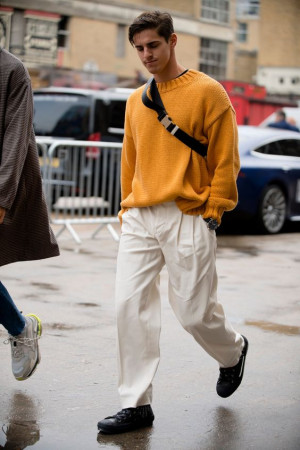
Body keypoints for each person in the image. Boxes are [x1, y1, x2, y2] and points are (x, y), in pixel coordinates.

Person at [97, 10, 248, 434]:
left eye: (154, 46)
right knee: (129, 304)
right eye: (139, 48)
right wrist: (126, 210)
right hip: (141, 216)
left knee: (194, 313)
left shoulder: (208, 92)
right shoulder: (134, 101)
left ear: (173, 41)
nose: (146, 55)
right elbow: (131, 161)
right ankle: (136, 403)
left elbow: (225, 157)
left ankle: (232, 353)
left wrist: (216, 207)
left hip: (190, 212)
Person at [0, 48, 59, 380]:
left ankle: (20, 328)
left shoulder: (12, 71)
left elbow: (15, 138)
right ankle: (22, 326)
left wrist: (1, 196)